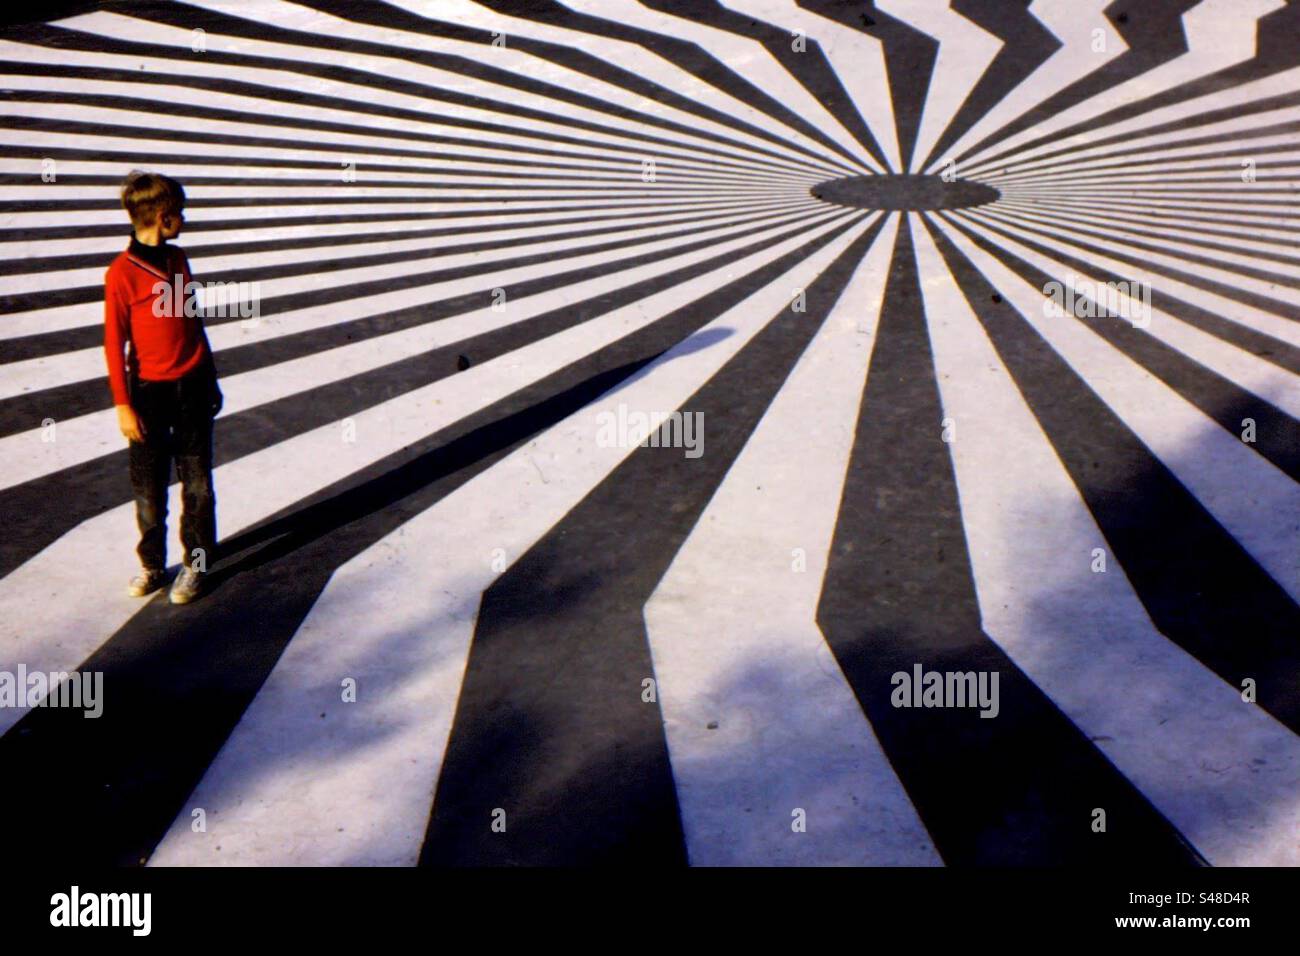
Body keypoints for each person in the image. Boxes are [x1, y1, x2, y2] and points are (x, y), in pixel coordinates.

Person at [103, 170, 223, 604]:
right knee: (148, 489)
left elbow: (191, 322)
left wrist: (209, 375)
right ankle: (152, 564)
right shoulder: (121, 274)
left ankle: (197, 565)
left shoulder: (178, 260)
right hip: (149, 394)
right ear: (161, 215)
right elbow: (115, 343)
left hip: (190, 387)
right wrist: (122, 404)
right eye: (180, 212)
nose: (185, 219)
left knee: (198, 486)